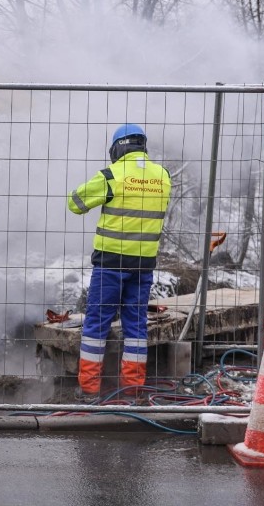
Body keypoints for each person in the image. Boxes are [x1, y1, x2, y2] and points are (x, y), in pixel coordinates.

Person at [68, 124, 171, 400]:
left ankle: (89, 390)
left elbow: (75, 203)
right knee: (136, 327)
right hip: (143, 265)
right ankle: (132, 390)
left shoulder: (111, 175)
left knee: (96, 325)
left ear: (117, 148)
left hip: (111, 264)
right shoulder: (163, 176)